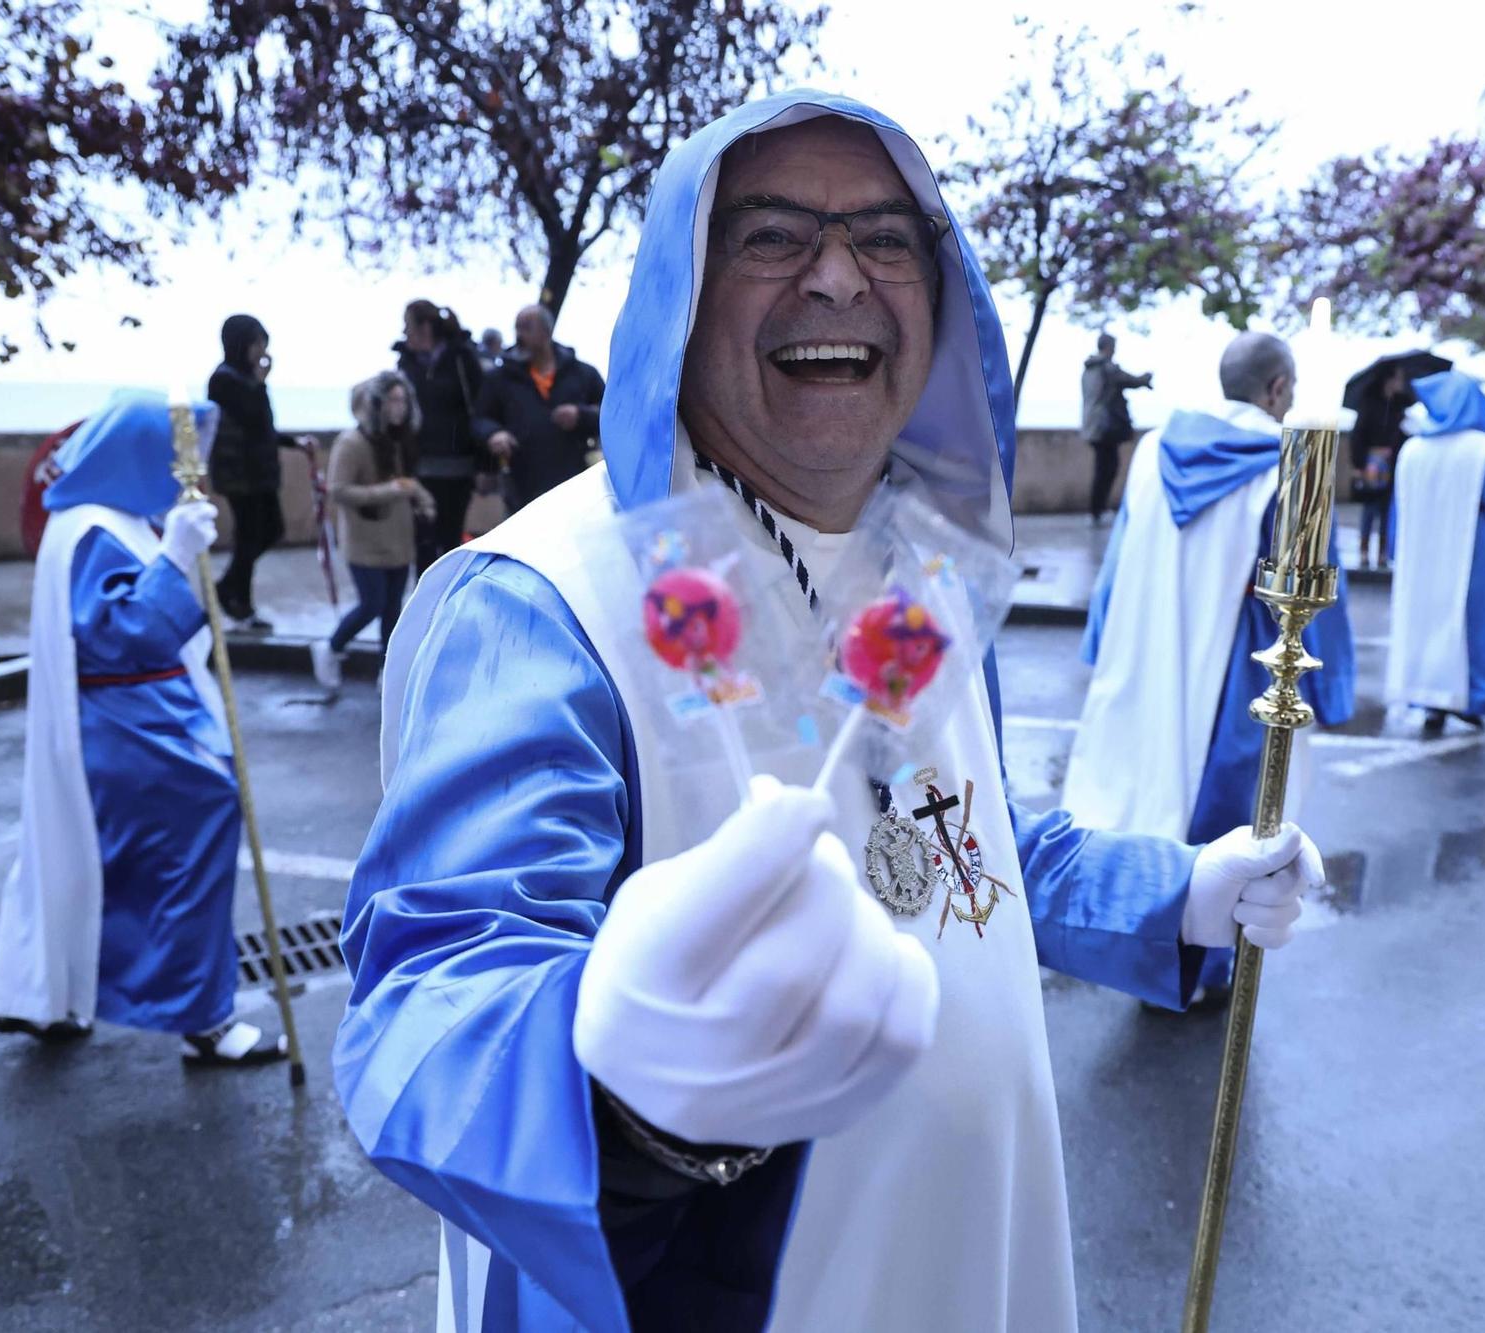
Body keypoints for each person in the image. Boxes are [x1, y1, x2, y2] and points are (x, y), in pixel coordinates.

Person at [332, 92, 1324, 1333]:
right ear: (678, 294)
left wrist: (1173, 893)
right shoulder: (549, 599)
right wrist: (617, 1094)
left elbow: (952, 841)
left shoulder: (920, 566)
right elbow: (433, 988)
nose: (840, 277)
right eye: (772, 235)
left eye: (886, 239)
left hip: (972, 1255)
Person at [0, 391, 287, 1066]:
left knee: (118, 857)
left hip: (137, 712)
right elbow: (125, 635)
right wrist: (175, 559)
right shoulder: (95, 527)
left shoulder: (102, 519)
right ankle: (201, 1016)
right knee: (197, 825)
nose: (189, 473)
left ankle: (62, 991)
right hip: (134, 721)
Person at [1064, 329, 1354, 1008]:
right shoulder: (1291, 466)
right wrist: (1332, 688)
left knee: (1146, 800)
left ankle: (1151, 958)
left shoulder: (1152, 451)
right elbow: (1315, 593)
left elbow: (1115, 566)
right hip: (1234, 673)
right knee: (1224, 822)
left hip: (1149, 650)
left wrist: (1103, 646)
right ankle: (1206, 969)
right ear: (1279, 390)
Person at [1382, 371, 1485, 735]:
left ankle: (1429, 696)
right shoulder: (1482, 450)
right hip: (1475, 553)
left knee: (1428, 622)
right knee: (1478, 626)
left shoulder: (1413, 449)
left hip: (1423, 553)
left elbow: (1399, 508)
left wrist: (1396, 551)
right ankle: (1473, 699)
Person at [311, 371, 435, 691]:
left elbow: (407, 484)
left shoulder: (397, 440)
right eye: (393, 400)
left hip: (397, 537)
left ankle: (387, 670)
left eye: (404, 400)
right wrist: (391, 490)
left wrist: (422, 500)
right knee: (373, 603)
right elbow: (338, 490)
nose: (400, 407)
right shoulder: (351, 443)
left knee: (393, 609)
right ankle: (332, 647)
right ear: (377, 403)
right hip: (365, 539)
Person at [206, 314, 316, 630]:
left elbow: (264, 429)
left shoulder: (245, 379)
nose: (261, 351)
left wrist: (292, 442)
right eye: (256, 344)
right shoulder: (224, 380)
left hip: (259, 474)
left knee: (265, 533)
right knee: (250, 537)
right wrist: (261, 380)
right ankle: (237, 600)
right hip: (241, 477)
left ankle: (231, 592)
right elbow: (252, 418)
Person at [472, 303, 607, 514]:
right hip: (523, 486)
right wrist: (494, 433)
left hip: (577, 485)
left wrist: (581, 415)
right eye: (516, 328)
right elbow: (479, 419)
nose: (519, 335)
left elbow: (612, 415)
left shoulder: (582, 373)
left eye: (526, 327)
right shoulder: (500, 378)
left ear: (547, 331)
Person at [396, 300, 487, 573]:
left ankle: (447, 605)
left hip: (458, 464)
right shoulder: (406, 361)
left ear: (425, 326)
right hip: (420, 463)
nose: (405, 332)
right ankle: (422, 607)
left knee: (450, 540)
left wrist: (485, 465)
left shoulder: (461, 358)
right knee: (423, 540)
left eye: (408, 325)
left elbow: (480, 410)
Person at [1080, 333, 1153, 525]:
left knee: (1103, 468)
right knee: (1106, 469)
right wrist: (1145, 379)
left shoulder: (1090, 369)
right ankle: (1098, 511)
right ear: (1108, 347)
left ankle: (1097, 510)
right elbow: (1128, 380)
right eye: (1114, 345)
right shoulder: (1106, 368)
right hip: (1105, 427)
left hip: (1093, 426)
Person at [1348, 366, 1413, 569]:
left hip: (1391, 463)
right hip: (1372, 462)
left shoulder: (1398, 407)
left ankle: (1383, 551)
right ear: (1388, 380)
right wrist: (1359, 463)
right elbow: (1357, 435)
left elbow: (1402, 433)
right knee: (1370, 506)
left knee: (1386, 508)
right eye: (1397, 379)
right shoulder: (1369, 404)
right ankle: (1364, 549)